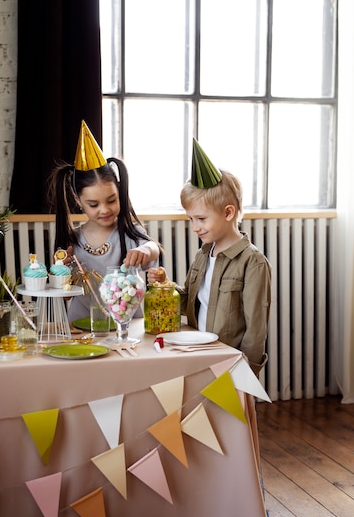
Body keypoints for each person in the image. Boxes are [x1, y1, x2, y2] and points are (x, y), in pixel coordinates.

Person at [148, 139, 271, 376]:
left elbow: (256, 330)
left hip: (227, 364)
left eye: (201, 219)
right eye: (190, 219)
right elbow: (189, 304)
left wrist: (247, 373)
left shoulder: (253, 262)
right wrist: (165, 286)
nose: (195, 227)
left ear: (228, 212)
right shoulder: (203, 254)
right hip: (196, 356)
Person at [48, 120, 160, 322]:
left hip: (127, 324)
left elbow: (153, 248)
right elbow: (63, 294)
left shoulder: (129, 233)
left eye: (111, 200)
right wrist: (61, 272)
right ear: (77, 199)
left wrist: (144, 250)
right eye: (93, 204)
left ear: (120, 192)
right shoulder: (72, 240)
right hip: (81, 326)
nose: (105, 210)